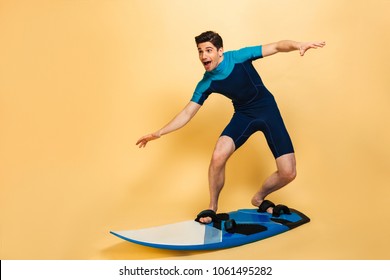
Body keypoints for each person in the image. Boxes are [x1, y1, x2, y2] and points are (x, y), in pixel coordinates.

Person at [136, 31, 325, 224]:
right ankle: (212, 208)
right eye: (200, 52)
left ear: (220, 51)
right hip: (243, 115)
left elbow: (276, 46)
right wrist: (159, 132)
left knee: (288, 173)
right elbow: (186, 113)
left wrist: (298, 45)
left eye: (208, 50)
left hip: (268, 111)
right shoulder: (206, 82)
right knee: (218, 155)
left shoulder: (239, 57)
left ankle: (259, 197)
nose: (204, 56)